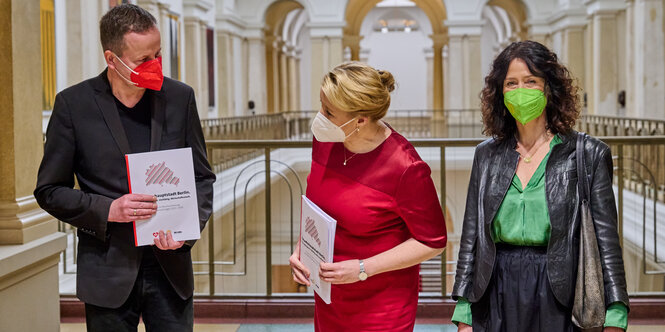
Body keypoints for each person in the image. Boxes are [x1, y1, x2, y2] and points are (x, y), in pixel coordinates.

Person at [34, 4, 215, 331]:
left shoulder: (179, 98)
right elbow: (49, 191)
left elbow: (202, 177)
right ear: (111, 59)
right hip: (107, 272)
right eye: (144, 60)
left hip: (170, 271)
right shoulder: (73, 106)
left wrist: (187, 231)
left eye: (158, 55)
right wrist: (109, 209)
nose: (155, 66)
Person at [451, 40, 629, 332]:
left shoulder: (588, 154)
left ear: (549, 88)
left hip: (561, 287)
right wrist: (463, 310)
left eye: (530, 81)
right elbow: (472, 236)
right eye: (511, 83)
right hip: (496, 290)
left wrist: (616, 314)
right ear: (500, 92)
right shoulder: (486, 155)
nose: (520, 90)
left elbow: (606, 242)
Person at [288, 62, 448, 331]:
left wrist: (362, 268)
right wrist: (301, 249)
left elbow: (433, 242)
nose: (319, 117)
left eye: (328, 112)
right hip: (330, 297)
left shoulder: (405, 167)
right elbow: (318, 205)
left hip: (381, 305)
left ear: (360, 120)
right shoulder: (327, 139)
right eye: (321, 105)